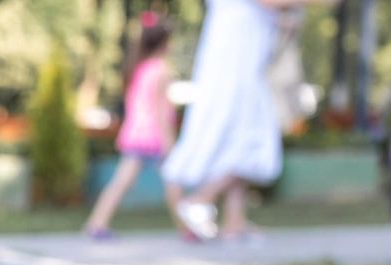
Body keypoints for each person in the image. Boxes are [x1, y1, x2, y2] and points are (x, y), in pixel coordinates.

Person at [161, 0, 310, 240]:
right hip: (234, 67)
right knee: (251, 140)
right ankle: (201, 199)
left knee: (241, 139)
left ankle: (234, 221)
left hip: (244, 65)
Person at [84, 14, 177, 239]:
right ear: (164, 43)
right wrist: (169, 142)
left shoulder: (140, 68)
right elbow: (160, 111)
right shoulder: (161, 70)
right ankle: (189, 228)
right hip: (153, 137)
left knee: (121, 182)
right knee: (175, 181)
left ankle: (96, 223)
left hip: (136, 135)